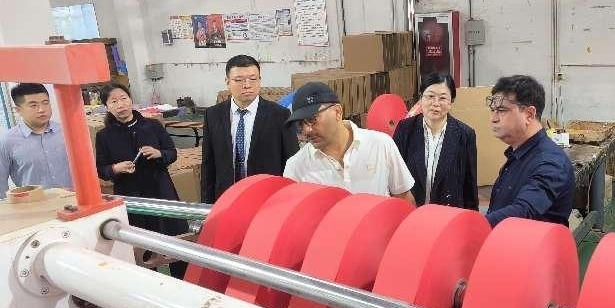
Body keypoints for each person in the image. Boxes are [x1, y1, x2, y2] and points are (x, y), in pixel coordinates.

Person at [95, 83, 189, 278]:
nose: (120, 104)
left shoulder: (152, 126)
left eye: (123, 98)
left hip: (162, 192)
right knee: (142, 251)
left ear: (131, 100)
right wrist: (115, 168)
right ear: (107, 106)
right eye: (114, 101)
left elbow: (172, 153)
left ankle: (183, 283)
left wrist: (159, 154)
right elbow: (101, 170)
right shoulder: (104, 136)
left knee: (175, 247)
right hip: (132, 199)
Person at [283, 81, 415, 202]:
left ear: (337, 112)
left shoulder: (380, 145)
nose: (307, 130)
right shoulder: (296, 167)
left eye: (312, 119)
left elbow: (403, 197)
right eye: (300, 124)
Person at [201, 55, 299, 203]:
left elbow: (292, 162)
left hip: (268, 198)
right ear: (227, 82)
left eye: (253, 79)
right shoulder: (213, 115)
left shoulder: (279, 115)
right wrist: (207, 205)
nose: (247, 85)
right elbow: (208, 164)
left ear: (260, 80)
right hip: (227, 197)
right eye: (239, 80)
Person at [485, 75, 574, 227]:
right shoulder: (518, 153)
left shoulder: (550, 163)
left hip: (532, 241)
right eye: (492, 110)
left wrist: (474, 225)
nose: (493, 118)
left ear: (529, 114)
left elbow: (523, 211)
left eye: (501, 110)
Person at [393, 73, 478, 209]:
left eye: (442, 98)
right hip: (412, 212)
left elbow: (469, 185)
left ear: (451, 101)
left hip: (447, 214)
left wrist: (472, 216)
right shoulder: (405, 129)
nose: (436, 103)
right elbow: (394, 174)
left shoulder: (465, 134)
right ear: (421, 98)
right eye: (430, 96)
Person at [0, 83, 73, 199]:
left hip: (74, 203)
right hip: (34, 206)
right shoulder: (6, 142)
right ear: (18, 110)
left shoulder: (67, 133)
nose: (41, 109)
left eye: (45, 103)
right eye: (33, 105)